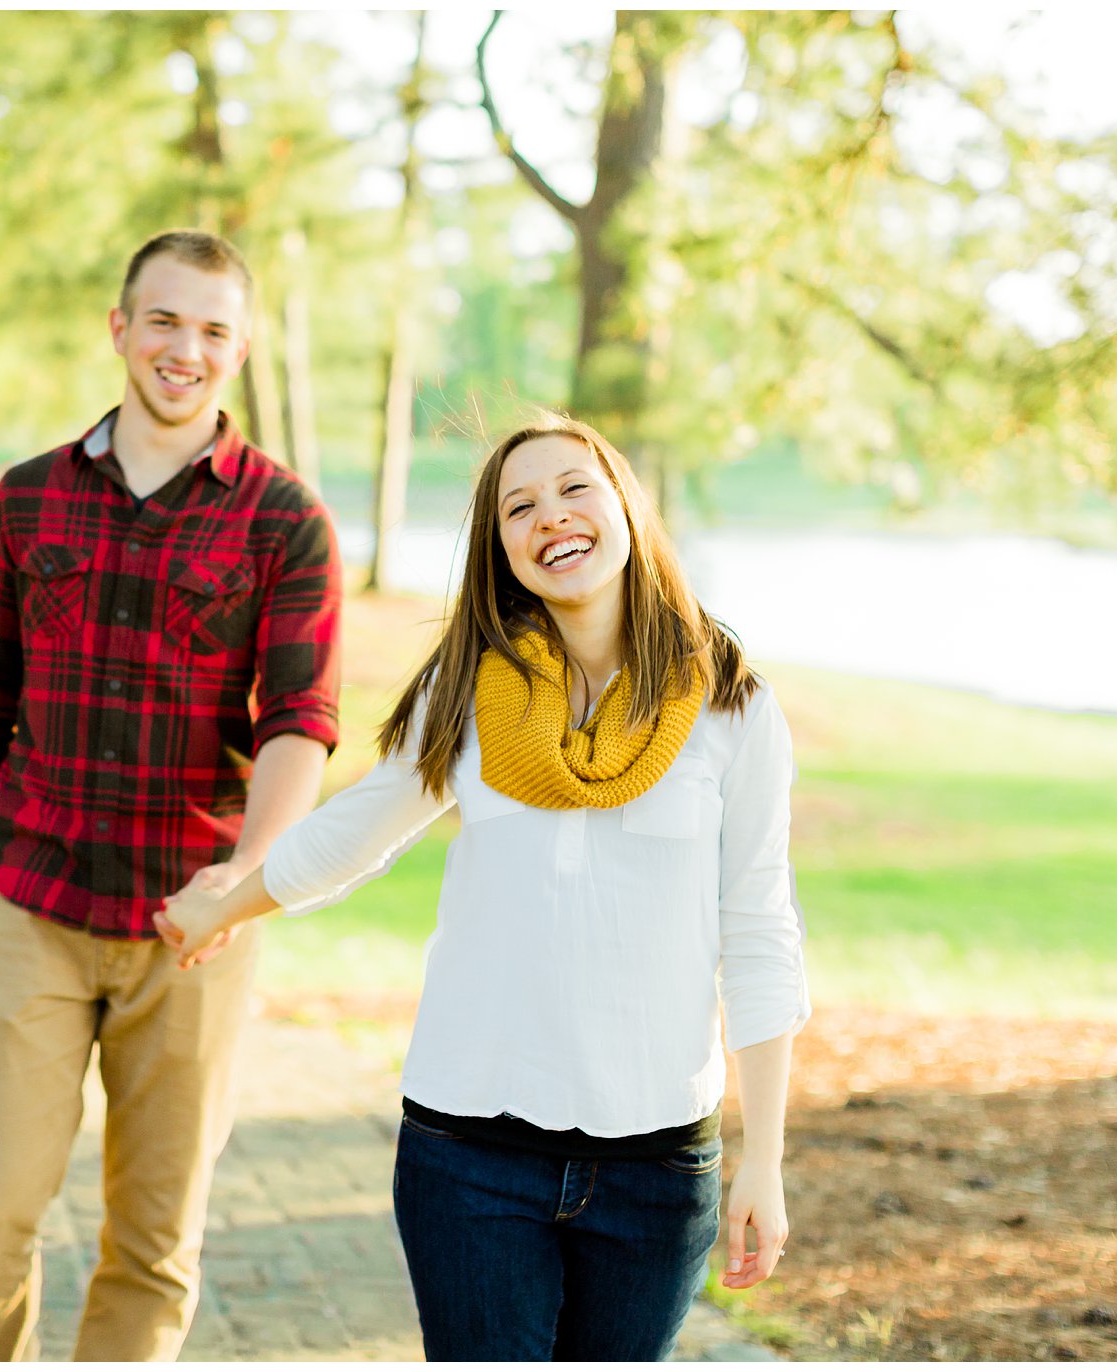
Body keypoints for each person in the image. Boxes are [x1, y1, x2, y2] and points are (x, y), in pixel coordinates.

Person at [156, 417, 809, 1361]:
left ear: (625, 502)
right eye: (520, 506)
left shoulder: (732, 704)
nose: (552, 517)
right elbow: (357, 832)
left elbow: (758, 931)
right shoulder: (468, 692)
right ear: (500, 548)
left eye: (574, 489)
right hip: (470, 1155)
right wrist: (226, 902)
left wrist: (767, 1162)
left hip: (657, 1167)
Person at [0, 229, 342, 1362]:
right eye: (162, 319)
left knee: (152, 1240)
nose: (181, 348)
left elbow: (300, 719)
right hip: (33, 903)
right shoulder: (27, 499)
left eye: (210, 330)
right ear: (119, 328)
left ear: (238, 351)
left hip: (189, 928)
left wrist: (247, 870)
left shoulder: (283, 520)